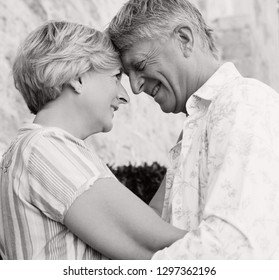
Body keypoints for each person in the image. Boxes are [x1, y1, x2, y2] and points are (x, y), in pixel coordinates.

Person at [0, 21, 186, 260]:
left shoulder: (35, 150)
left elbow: (142, 228)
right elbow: (154, 247)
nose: (124, 95)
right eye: (115, 77)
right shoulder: (45, 149)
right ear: (78, 78)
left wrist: (183, 152)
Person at [108, 0, 279, 259]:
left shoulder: (243, 99)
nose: (134, 88)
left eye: (140, 65)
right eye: (126, 74)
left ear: (184, 39)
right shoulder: (196, 127)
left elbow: (233, 246)